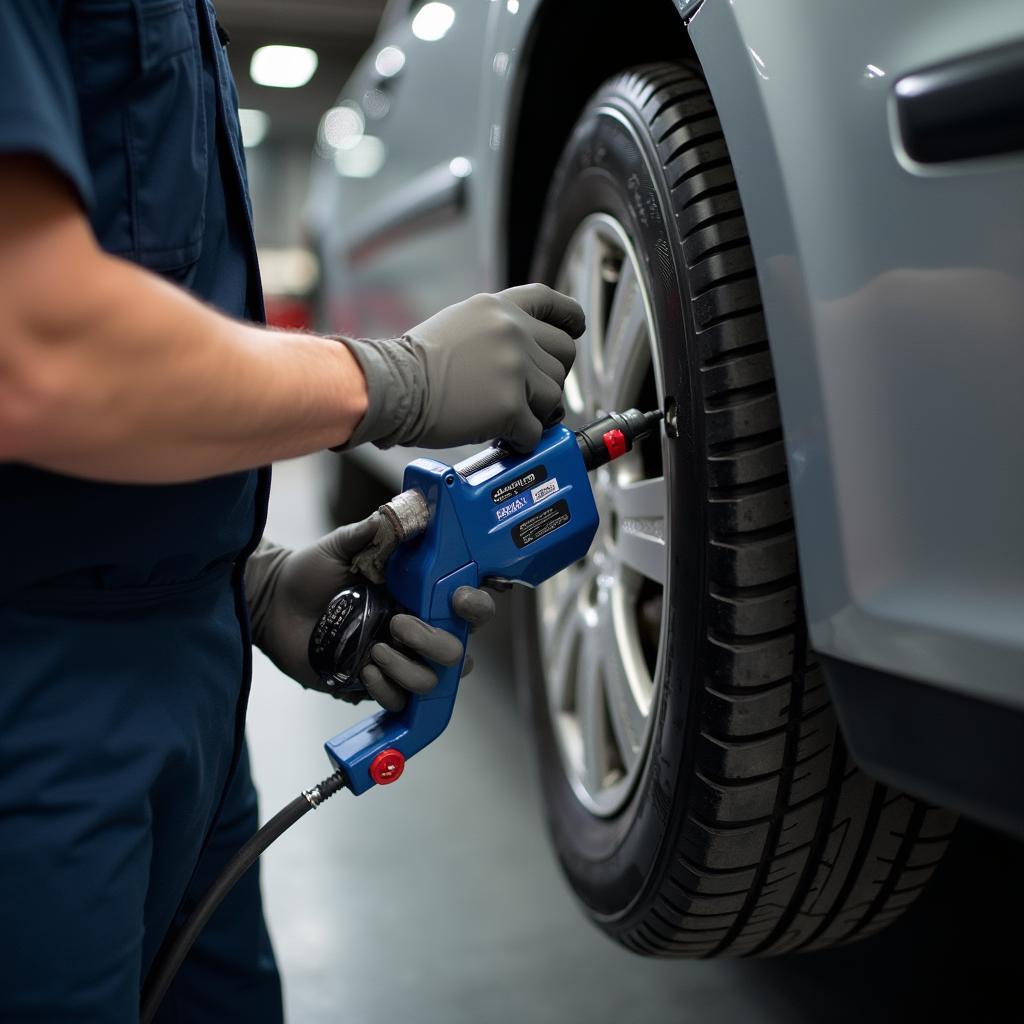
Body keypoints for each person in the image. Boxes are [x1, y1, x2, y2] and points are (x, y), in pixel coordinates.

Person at [0, 3, 584, 1021]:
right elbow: (30, 351)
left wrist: (242, 577)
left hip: (190, 690)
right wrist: (386, 382)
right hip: (31, 708)